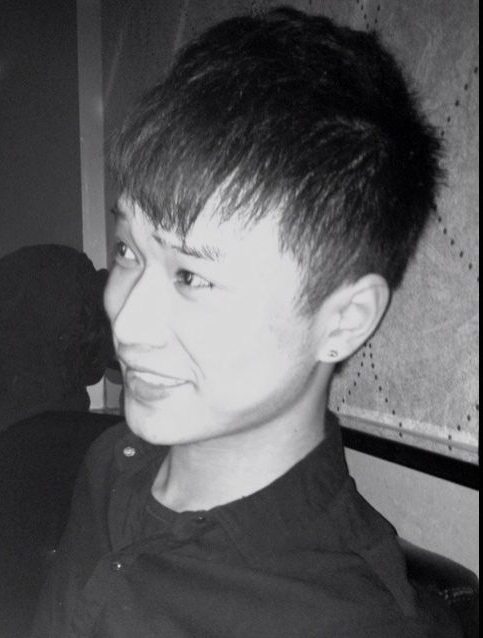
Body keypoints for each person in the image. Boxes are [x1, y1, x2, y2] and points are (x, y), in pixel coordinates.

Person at [31, 7, 461, 637]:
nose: (126, 322)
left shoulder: (343, 621)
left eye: (193, 277)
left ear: (343, 321)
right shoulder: (113, 462)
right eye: (128, 250)